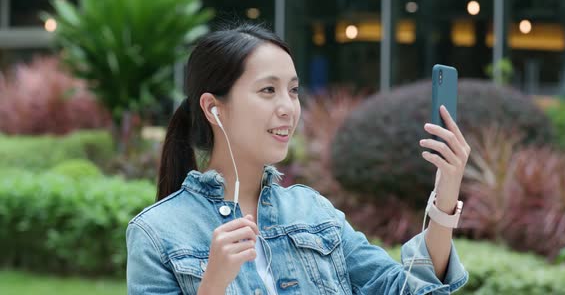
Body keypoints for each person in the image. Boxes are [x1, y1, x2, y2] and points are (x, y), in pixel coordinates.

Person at [126, 23, 470, 295]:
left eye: (292, 90)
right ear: (214, 108)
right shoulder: (157, 233)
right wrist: (213, 285)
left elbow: (404, 289)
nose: (288, 108)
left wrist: (446, 194)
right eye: (267, 90)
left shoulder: (315, 213)